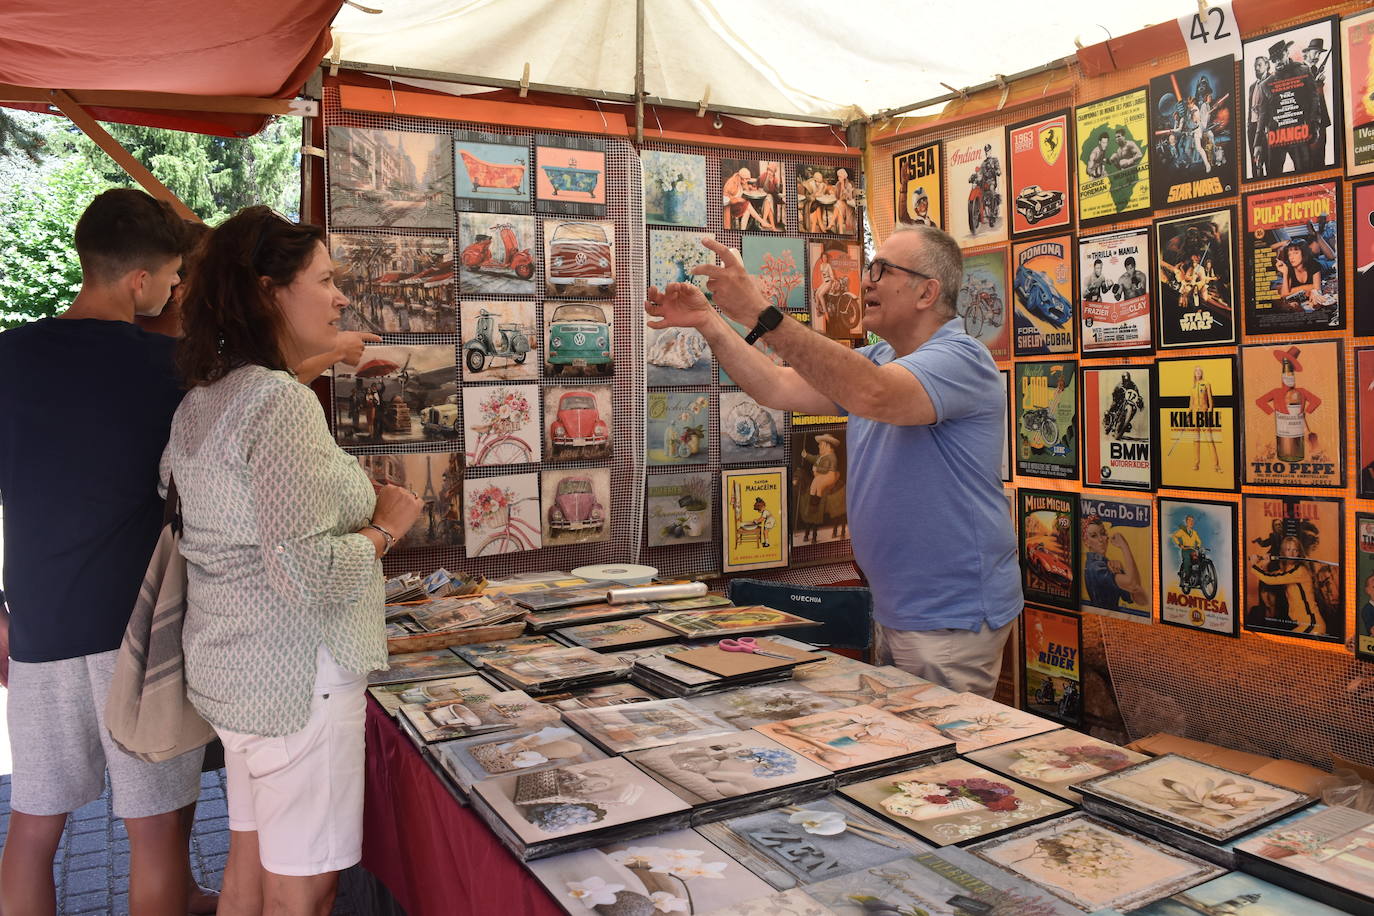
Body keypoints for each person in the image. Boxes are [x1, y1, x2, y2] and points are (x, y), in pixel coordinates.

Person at [164, 206, 423, 915]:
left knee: (248, 866)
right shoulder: (277, 405)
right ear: (269, 289)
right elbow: (305, 573)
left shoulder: (208, 398)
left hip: (235, 674)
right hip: (295, 684)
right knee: (301, 892)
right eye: (327, 280)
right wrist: (386, 529)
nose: (341, 297)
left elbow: (232, 526)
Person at [646, 225, 1019, 697]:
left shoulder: (960, 359)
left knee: (938, 756)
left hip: (948, 617)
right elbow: (776, 386)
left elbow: (874, 393)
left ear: (928, 291)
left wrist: (762, 312)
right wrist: (711, 323)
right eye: (869, 268)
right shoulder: (882, 357)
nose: (867, 281)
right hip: (898, 608)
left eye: (883, 270)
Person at [0, 189, 210, 916]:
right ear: (141, 282)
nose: (177, 289)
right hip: (138, 634)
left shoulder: (9, 356)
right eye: (175, 276)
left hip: (38, 625)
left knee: (32, 827)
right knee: (152, 838)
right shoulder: (169, 368)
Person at [1082, 516, 1147, 612]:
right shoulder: (1096, 567)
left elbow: (1142, 600)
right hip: (1103, 619)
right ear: (1086, 542)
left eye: (1103, 533)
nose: (1101, 539)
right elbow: (1133, 584)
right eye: (1094, 536)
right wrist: (1124, 546)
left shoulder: (1107, 565)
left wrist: (1120, 571)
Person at [1172, 514, 1203, 586]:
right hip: (1186, 549)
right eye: (1189, 520)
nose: (1191, 522)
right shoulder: (1182, 531)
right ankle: (1187, 577)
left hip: (1193, 549)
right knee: (1187, 560)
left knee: (1197, 561)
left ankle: (1198, 578)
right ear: (1186, 522)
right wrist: (1180, 544)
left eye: (1192, 521)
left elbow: (1199, 541)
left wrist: (1198, 546)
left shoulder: (1194, 532)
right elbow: (1174, 536)